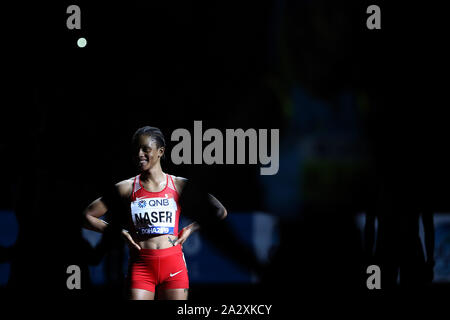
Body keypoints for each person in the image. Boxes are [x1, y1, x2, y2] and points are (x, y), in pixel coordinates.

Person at [82, 126, 227, 300]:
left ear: (160, 151)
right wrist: (119, 233)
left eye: (146, 149)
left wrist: (190, 228)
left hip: (174, 266)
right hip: (141, 266)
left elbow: (219, 211)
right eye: (136, 149)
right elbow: (86, 216)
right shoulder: (126, 187)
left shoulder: (178, 185)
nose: (139, 154)